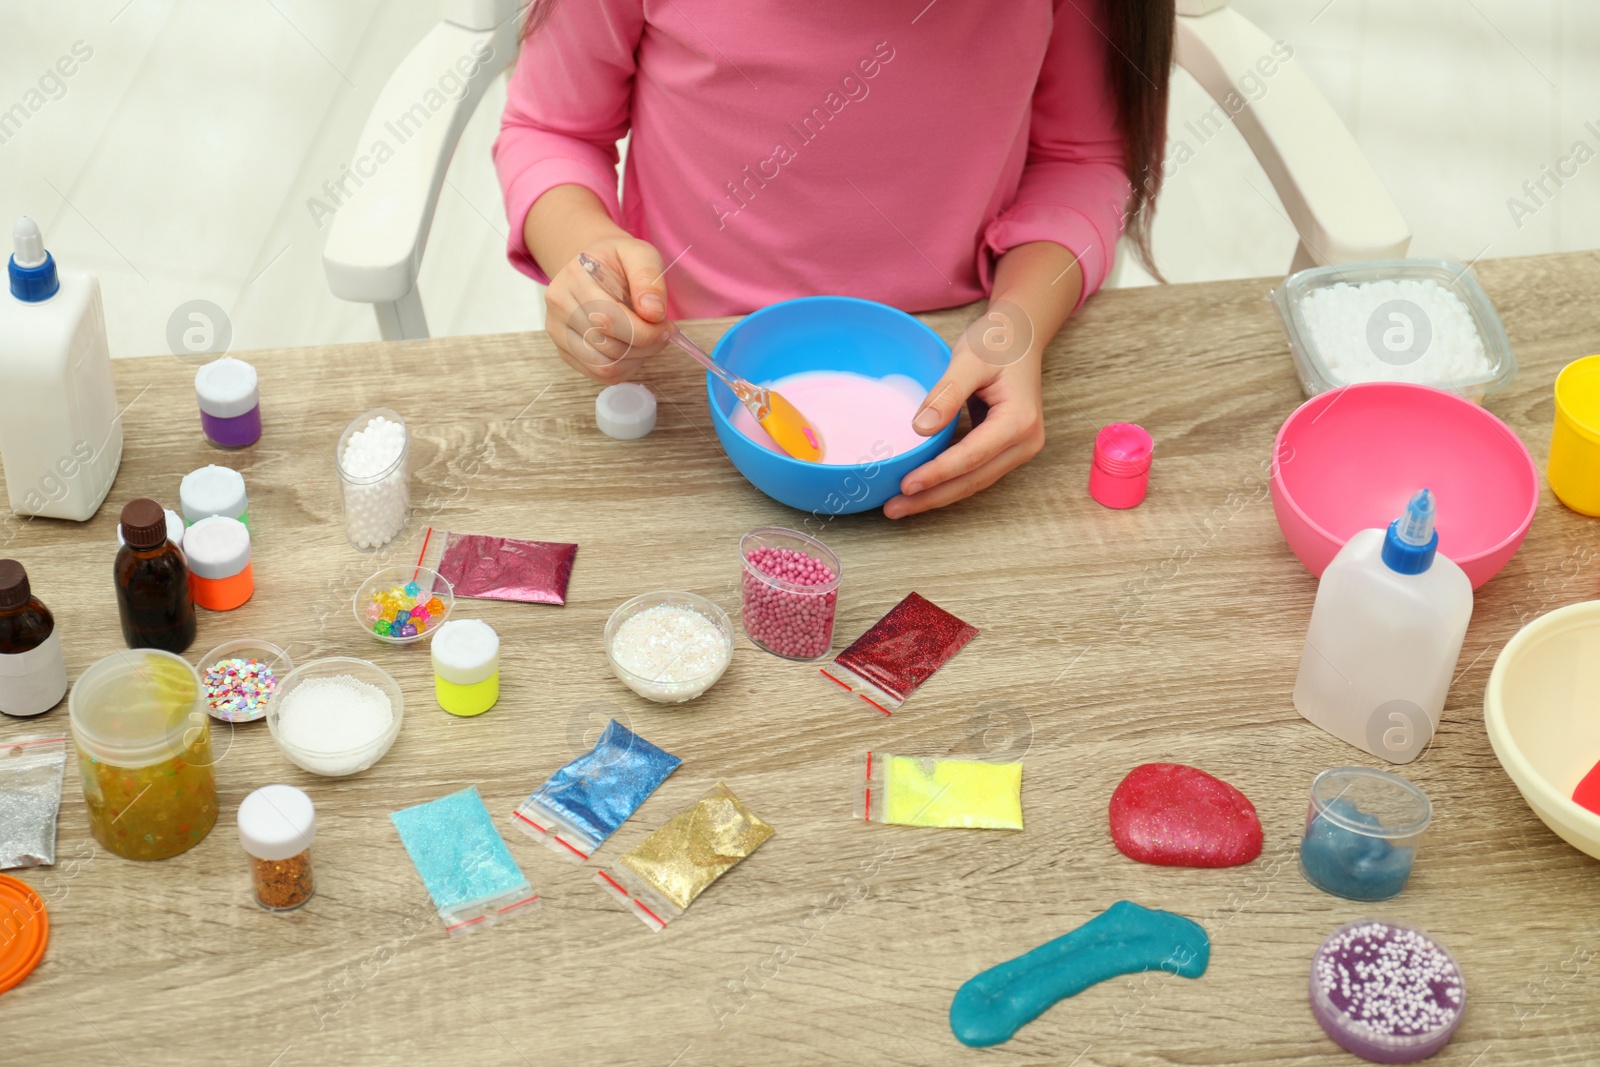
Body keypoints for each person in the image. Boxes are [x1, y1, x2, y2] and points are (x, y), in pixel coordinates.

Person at [495, 0, 1172, 517]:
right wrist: (582, 246)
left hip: (959, 364)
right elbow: (549, 128)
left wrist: (1019, 322)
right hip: (683, 374)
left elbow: (1084, 158)